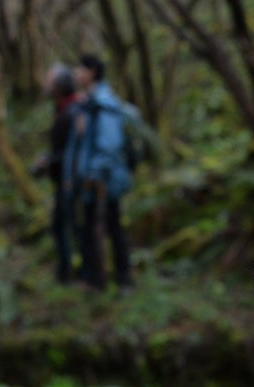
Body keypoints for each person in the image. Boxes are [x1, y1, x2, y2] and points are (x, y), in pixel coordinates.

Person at [63, 53, 142, 292]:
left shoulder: (103, 104)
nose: (76, 74)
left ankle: (120, 279)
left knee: (111, 228)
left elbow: (109, 144)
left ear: (92, 72)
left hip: (103, 181)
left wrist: (94, 175)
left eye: (79, 69)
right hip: (91, 181)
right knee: (93, 228)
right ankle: (99, 278)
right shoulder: (87, 104)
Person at [32, 62, 79, 284]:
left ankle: (72, 273)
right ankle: (66, 271)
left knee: (71, 226)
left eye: (50, 80)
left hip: (73, 180)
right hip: (64, 179)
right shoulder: (63, 109)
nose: (46, 85)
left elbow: (74, 151)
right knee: (62, 226)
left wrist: (51, 162)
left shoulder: (73, 111)